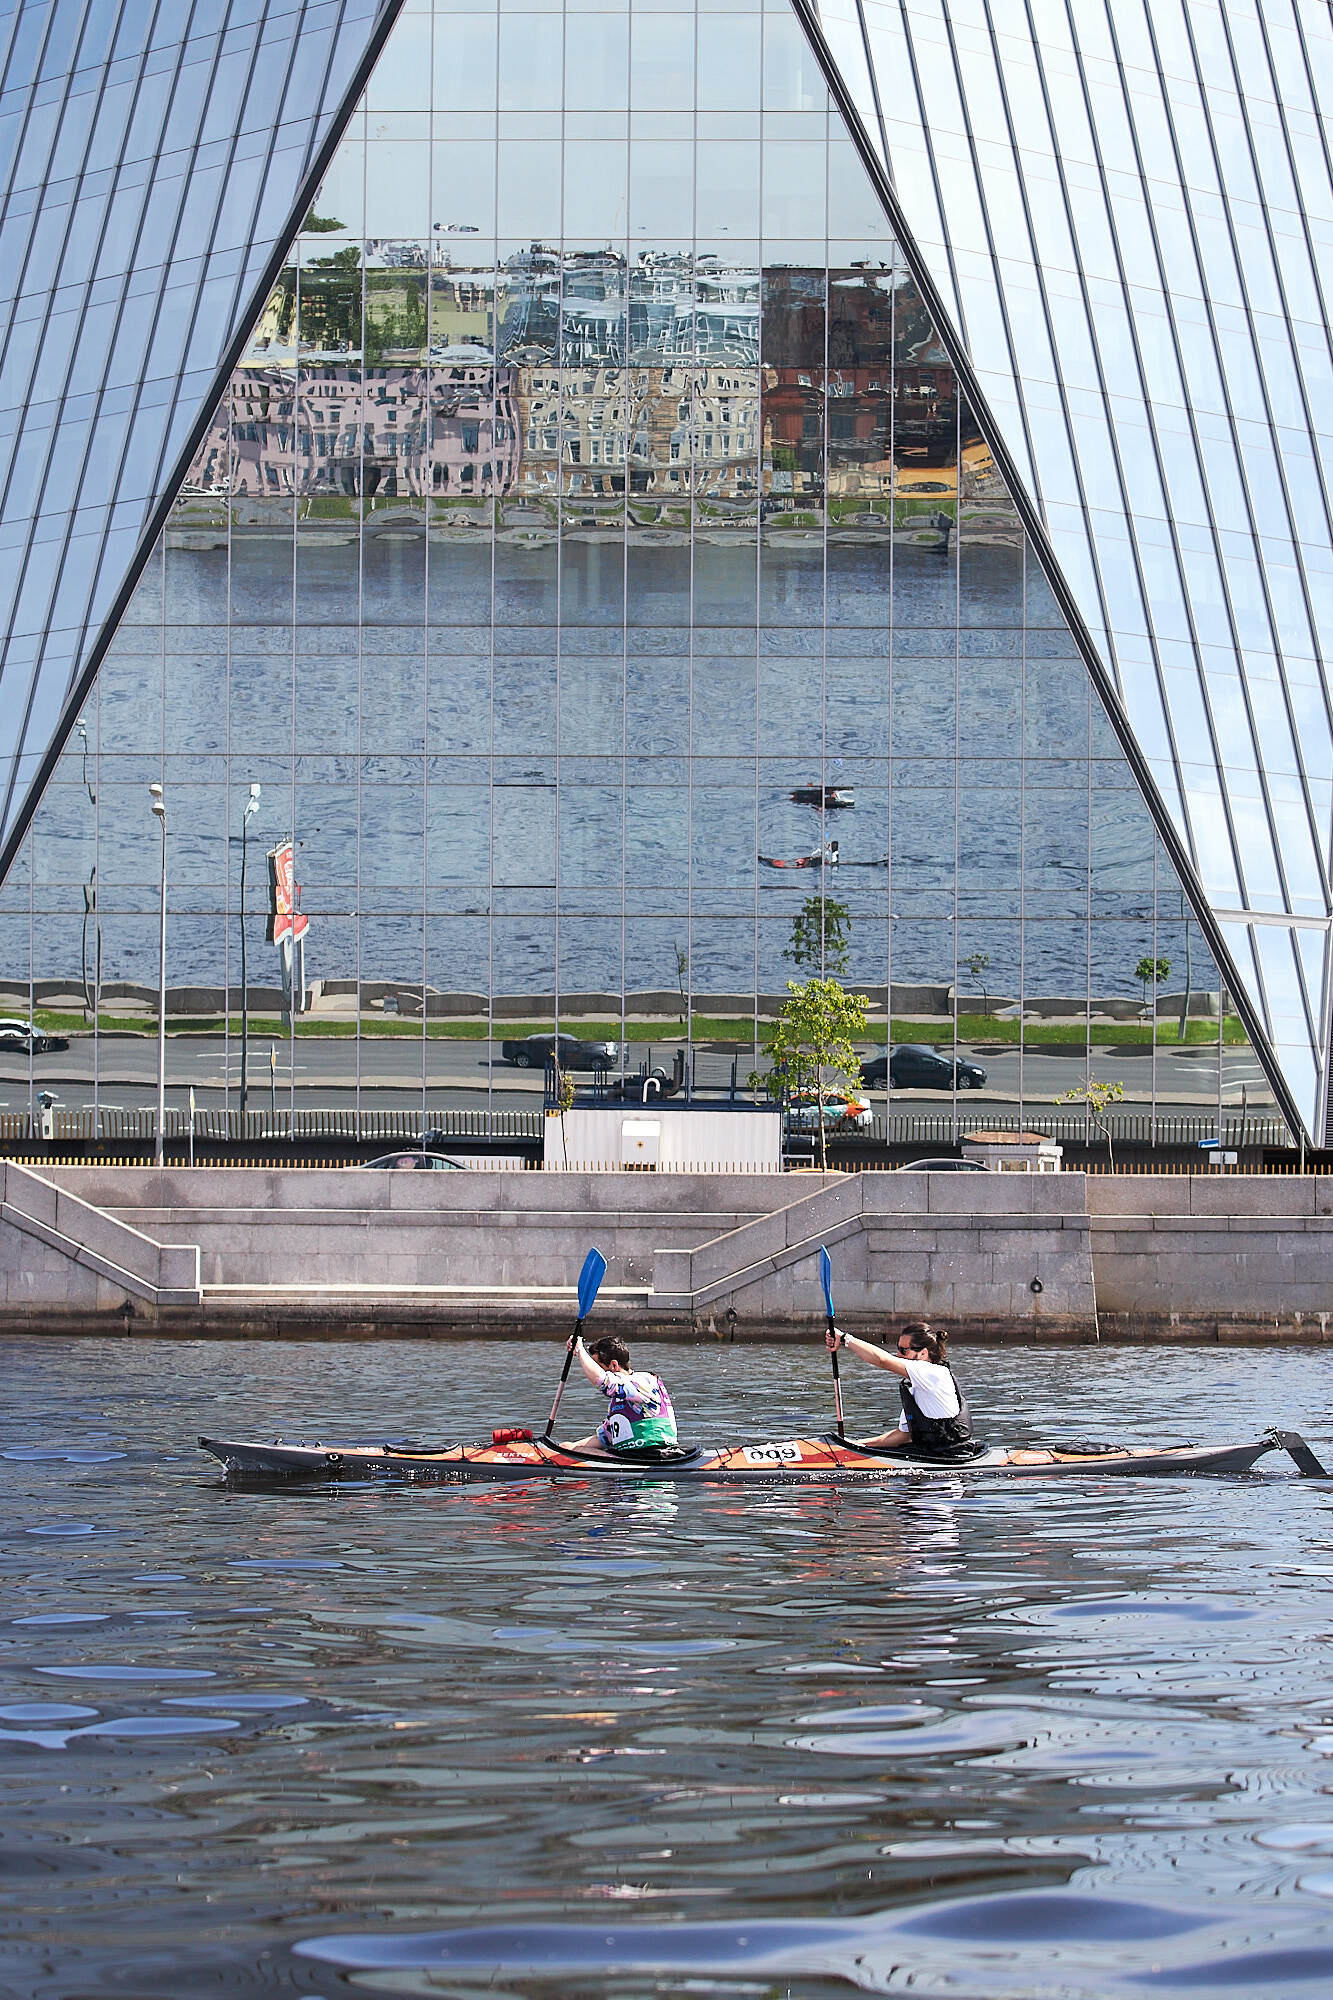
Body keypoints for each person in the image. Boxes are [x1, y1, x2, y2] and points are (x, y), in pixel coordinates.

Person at [824, 1320, 983, 1461]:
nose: (898, 1355)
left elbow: (883, 1360)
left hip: (949, 1461)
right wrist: (854, 1445)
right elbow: (903, 1435)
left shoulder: (932, 1372)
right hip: (931, 1453)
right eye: (898, 1348)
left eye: (904, 1350)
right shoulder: (918, 1386)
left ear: (923, 1353)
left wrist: (845, 1339)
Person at [564, 1332, 679, 1455]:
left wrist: (580, 1350)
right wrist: (567, 1447)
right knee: (569, 1449)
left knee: (578, 1452)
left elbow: (603, 1381)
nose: (591, 1370)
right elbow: (605, 1438)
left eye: (596, 1366)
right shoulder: (619, 1401)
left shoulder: (643, 1381)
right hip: (632, 1456)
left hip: (657, 1455)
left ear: (614, 1365)